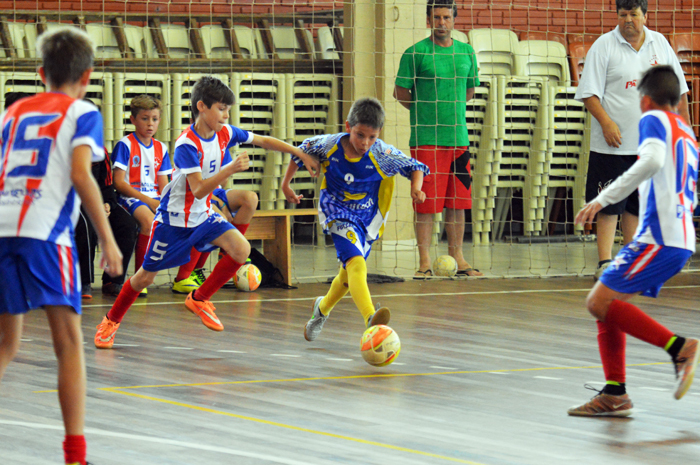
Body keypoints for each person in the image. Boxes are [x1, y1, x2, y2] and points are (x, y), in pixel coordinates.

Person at [93, 75, 316, 349]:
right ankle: (110, 321)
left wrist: (299, 153)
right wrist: (229, 169)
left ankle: (199, 298)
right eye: (221, 109)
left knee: (241, 249)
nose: (226, 115)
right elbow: (197, 189)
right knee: (144, 277)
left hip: (203, 215)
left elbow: (264, 141)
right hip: (173, 221)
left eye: (228, 110)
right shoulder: (186, 143)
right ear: (202, 106)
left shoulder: (226, 132)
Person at [0, 28, 123, 465]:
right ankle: (75, 455)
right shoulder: (82, 111)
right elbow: (79, 173)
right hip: (45, 234)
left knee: (5, 345)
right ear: (87, 76)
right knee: (69, 344)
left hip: (3, 227)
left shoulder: (11, 115)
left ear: (40, 73)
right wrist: (107, 239)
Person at [569, 65, 699, 417]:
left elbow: (653, 160)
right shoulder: (687, 133)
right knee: (605, 304)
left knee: (598, 301)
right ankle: (615, 393)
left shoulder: (653, 120)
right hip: (680, 238)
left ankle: (679, 347)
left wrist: (602, 198)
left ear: (644, 99)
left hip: (661, 239)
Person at [281, 97, 429, 341]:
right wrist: (286, 184)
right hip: (336, 210)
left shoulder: (382, 153)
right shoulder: (329, 145)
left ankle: (322, 309)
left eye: (372, 137)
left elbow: (416, 166)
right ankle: (371, 319)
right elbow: (302, 149)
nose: (365, 143)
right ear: (348, 126)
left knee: (348, 276)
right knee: (357, 264)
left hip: (368, 218)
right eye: (360, 135)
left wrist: (416, 188)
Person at [575, 0, 691, 280]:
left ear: (645, 15)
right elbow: (589, 92)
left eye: (634, 14)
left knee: (637, 204)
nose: (628, 20)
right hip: (611, 144)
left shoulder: (660, 43)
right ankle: (605, 261)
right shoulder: (603, 45)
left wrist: (683, 131)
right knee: (608, 203)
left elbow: (680, 91)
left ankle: (628, 260)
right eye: (623, 14)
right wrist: (606, 122)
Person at [394, 0, 482, 280]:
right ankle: (424, 262)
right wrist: (425, 111)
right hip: (426, 140)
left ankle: (458, 257)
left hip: (458, 139)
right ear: (428, 19)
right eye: (437, 17)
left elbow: (469, 91)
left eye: (447, 17)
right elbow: (400, 93)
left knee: (458, 202)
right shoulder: (415, 53)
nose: (442, 22)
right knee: (425, 203)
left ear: (455, 19)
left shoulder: (467, 52)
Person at [112, 94, 172, 297]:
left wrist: (165, 202)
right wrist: (148, 201)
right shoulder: (125, 144)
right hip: (131, 197)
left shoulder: (161, 148)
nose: (150, 124)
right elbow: (118, 182)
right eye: (145, 118)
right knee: (148, 221)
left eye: (154, 119)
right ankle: (139, 279)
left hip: (153, 198)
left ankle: (186, 276)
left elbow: (164, 185)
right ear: (133, 120)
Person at [75, 147, 138, 299]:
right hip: (71, 203)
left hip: (97, 202)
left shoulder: (100, 151)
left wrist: (107, 204)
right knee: (86, 223)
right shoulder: (65, 147)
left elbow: (106, 185)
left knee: (127, 224)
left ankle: (112, 281)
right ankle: (83, 281)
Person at [170, 186, 258, 291]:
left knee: (251, 198)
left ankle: (228, 252)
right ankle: (183, 277)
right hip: (194, 194)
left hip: (213, 192)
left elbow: (220, 182)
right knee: (218, 219)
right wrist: (221, 205)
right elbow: (193, 188)